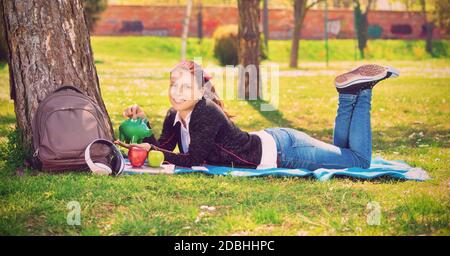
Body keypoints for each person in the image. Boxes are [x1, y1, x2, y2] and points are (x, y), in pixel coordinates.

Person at [115, 61, 399, 170]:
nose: (177, 93)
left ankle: (362, 93)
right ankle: (350, 94)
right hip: (276, 142)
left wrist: (155, 152)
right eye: (173, 85)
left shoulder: (206, 112)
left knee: (359, 162)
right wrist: (142, 123)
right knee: (345, 153)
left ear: (201, 91)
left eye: (186, 87)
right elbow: (161, 149)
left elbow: (194, 160)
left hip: (284, 151)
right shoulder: (174, 114)